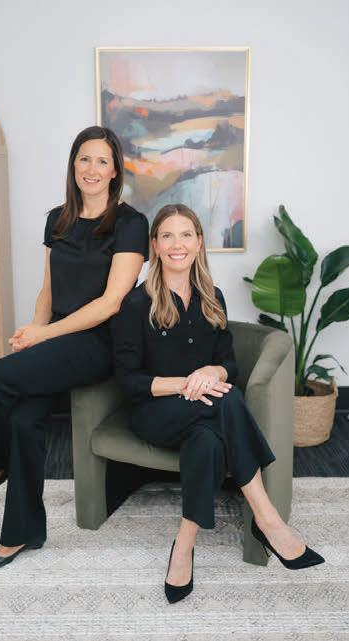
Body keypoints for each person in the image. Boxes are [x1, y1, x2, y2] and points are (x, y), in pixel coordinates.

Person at [0, 126, 149, 569]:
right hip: (57, 338)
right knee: (22, 420)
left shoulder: (131, 223)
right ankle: (22, 534)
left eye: (102, 161)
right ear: (73, 165)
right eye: (84, 159)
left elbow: (111, 303)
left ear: (115, 171)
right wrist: (33, 332)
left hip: (100, 343)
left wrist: (45, 336)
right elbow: (48, 290)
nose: (91, 169)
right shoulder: (57, 219)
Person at [111, 203, 324, 604]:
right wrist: (187, 383)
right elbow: (128, 381)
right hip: (155, 413)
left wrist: (212, 372)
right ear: (155, 245)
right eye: (167, 236)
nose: (177, 244)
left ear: (199, 242)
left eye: (186, 235)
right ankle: (267, 517)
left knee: (208, 440)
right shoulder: (136, 304)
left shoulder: (213, 297)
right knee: (228, 400)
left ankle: (184, 544)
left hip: (204, 411)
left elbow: (228, 364)